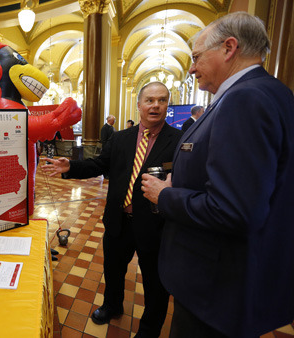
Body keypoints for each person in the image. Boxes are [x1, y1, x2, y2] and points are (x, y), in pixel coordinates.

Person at [141, 12, 294, 338]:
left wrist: (166, 195)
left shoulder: (245, 100)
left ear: (229, 48)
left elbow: (236, 210)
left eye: (196, 57)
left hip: (214, 286)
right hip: (238, 279)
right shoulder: (274, 92)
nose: (192, 68)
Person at [42, 82, 183, 337]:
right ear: (139, 105)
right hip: (119, 220)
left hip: (155, 226)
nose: (155, 105)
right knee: (113, 269)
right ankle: (112, 306)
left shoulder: (178, 141)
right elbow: (98, 164)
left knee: (155, 282)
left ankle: (149, 330)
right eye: (149, 100)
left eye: (162, 100)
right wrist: (70, 167)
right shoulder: (120, 138)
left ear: (167, 105)